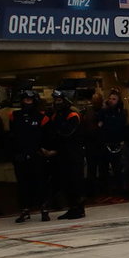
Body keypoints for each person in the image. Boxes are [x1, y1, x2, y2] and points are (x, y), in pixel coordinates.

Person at [43, 90, 85, 219]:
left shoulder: (73, 115)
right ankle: (72, 207)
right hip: (61, 154)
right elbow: (51, 134)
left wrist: (55, 137)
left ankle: (78, 208)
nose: (57, 102)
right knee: (65, 182)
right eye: (56, 100)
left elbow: (66, 133)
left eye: (60, 100)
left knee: (75, 181)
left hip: (73, 153)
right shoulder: (56, 115)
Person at [10, 90, 51, 223]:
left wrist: (45, 150)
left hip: (37, 155)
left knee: (41, 182)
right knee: (22, 184)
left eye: (30, 100)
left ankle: (44, 209)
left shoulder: (42, 117)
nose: (27, 102)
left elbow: (46, 136)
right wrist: (14, 153)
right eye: (25, 100)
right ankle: (24, 209)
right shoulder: (14, 115)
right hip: (21, 155)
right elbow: (11, 136)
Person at [90, 90, 127, 198]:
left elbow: (119, 127)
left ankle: (119, 191)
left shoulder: (121, 113)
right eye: (110, 99)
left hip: (116, 144)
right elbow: (99, 125)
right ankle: (105, 191)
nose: (111, 101)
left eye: (114, 99)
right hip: (104, 144)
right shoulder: (103, 112)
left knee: (117, 169)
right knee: (103, 169)